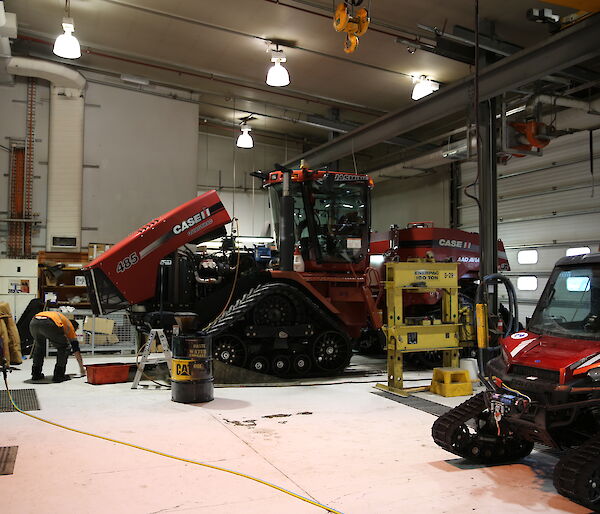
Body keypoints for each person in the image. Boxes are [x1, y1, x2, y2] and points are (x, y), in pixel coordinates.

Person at [29, 312, 83, 382]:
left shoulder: (62, 320)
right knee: (64, 347)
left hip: (34, 322)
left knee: (40, 347)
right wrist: (82, 368)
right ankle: (59, 375)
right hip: (49, 322)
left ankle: (36, 374)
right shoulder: (70, 327)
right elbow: (76, 349)